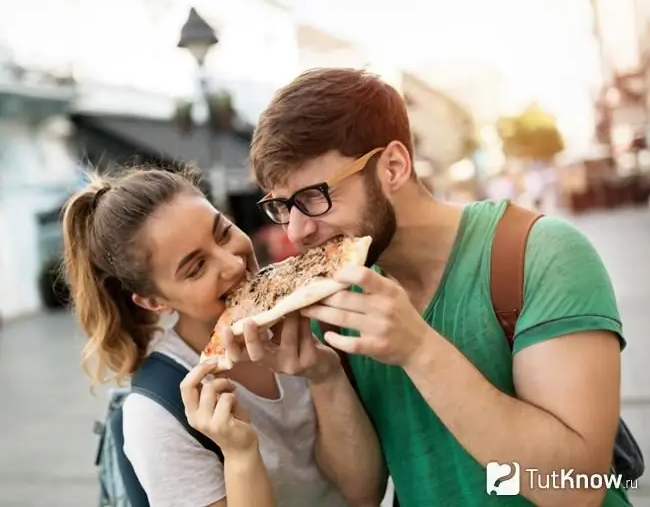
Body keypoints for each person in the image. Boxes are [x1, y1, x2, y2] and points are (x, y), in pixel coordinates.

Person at [223, 68, 633, 506]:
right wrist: (323, 375)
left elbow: (575, 490)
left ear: (393, 167)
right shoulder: (341, 300)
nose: (297, 232)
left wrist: (418, 350)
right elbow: (364, 492)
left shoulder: (541, 253)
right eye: (283, 207)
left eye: (313, 197)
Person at [60, 165, 360, 507]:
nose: (232, 264)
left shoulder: (310, 309)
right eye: (196, 268)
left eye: (222, 232)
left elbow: (363, 494)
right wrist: (240, 455)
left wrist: (325, 375)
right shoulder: (155, 416)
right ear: (154, 301)